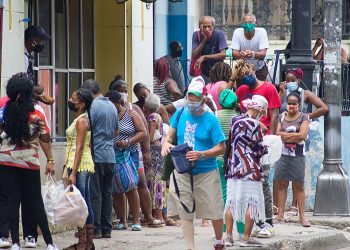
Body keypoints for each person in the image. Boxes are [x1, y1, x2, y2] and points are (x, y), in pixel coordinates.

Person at [162, 76, 226, 250]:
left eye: (195, 97)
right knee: (185, 210)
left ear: (203, 98)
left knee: (214, 210)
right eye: (189, 96)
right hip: (182, 170)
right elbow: (170, 134)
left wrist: (202, 154)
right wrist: (166, 142)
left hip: (206, 171)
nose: (191, 100)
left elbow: (221, 147)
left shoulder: (211, 119)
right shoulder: (181, 112)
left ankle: (219, 240)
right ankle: (190, 247)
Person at [0, 73, 58, 250]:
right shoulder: (37, 111)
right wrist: (50, 159)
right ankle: (49, 243)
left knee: (11, 201)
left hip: (5, 161)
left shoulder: (4, 110)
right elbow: (45, 137)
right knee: (35, 201)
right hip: (29, 163)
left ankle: (15, 243)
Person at [233, 59, 281, 238]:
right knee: (249, 186)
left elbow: (274, 116)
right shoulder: (241, 91)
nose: (246, 79)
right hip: (246, 146)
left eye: (247, 75)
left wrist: (271, 139)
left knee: (264, 184)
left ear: (253, 71)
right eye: (241, 77)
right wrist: (232, 78)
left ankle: (268, 223)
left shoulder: (269, 89)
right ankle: (255, 221)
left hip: (263, 143)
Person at [274, 68, 328, 216]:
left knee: (297, 175)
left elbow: (323, 108)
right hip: (283, 141)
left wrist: (307, 116)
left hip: (299, 139)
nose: (289, 82)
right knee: (282, 176)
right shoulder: (283, 93)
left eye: (292, 80)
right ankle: (280, 210)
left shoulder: (305, 94)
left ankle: (294, 206)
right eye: (287, 79)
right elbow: (276, 108)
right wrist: (281, 91)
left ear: (298, 80)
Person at [225, 95, 268, 247]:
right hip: (250, 169)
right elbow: (258, 148)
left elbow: (232, 141)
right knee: (252, 202)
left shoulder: (234, 120)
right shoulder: (255, 125)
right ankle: (245, 238)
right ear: (259, 110)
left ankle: (228, 237)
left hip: (233, 167)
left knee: (231, 202)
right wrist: (267, 147)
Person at [81, 79, 119, 239]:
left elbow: (86, 128)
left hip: (96, 155)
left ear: (89, 93)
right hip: (110, 155)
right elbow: (116, 132)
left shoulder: (92, 107)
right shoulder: (112, 105)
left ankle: (95, 229)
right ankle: (106, 229)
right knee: (107, 193)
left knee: (95, 193)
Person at [105, 90, 144, 232]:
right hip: (114, 154)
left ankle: (136, 220)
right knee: (116, 188)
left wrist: (127, 142)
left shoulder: (131, 113)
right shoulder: (109, 115)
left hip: (130, 154)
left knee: (130, 186)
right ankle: (122, 220)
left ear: (117, 103)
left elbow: (143, 132)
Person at [273, 92, 311, 227]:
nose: (291, 106)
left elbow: (303, 135)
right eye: (289, 103)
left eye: (294, 104)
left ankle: (302, 218)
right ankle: (280, 216)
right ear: (286, 104)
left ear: (299, 105)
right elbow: (277, 135)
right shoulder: (281, 117)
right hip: (282, 155)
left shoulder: (304, 117)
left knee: (299, 186)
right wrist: (295, 135)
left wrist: (286, 136)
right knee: (282, 184)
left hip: (298, 156)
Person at [64, 88, 95, 250]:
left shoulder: (82, 121)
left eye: (73, 98)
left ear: (82, 103)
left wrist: (73, 172)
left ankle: (84, 243)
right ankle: (87, 243)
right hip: (79, 164)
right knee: (84, 201)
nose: (70, 100)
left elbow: (80, 147)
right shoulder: (80, 118)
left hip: (81, 165)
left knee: (81, 203)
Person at [215, 89, 239, 247]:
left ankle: (223, 228)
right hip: (234, 160)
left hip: (217, 158)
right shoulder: (238, 117)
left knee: (222, 193)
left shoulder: (216, 116)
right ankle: (240, 229)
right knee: (236, 193)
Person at [143, 94, 166, 223]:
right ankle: (159, 215)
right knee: (158, 181)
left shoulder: (152, 117)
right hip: (159, 150)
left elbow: (150, 137)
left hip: (154, 151)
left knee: (154, 181)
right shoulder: (159, 116)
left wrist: (144, 146)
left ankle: (157, 215)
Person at [231, 13, 269, 82]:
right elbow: (234, 53)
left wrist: (253, 54)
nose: (248, 24)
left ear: (255, 24)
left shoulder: (261, 32)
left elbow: (263, 53)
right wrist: (240, 55)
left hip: (259, 69)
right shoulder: (237, 32)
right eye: (245, 22)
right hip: (243, 71)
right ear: (242, 24)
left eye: (250, 22)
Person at [192, 16, 228, 84]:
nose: (207, 29)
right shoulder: (196, 35)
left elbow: (223, 55)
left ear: (213, 27)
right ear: (200, 27)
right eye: (204, 27)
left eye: (209, 26)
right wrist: (203, 40)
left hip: (218, 73)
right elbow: (194, 55)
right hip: (203, 73)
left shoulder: (219, 34)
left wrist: (204, 57)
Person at [24, 25, 54, 106]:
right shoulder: (23, 57)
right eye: (40, 40)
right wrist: (35, 89)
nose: (41, 43)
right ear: (31, 40)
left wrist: (38, 97)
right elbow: (19, 85)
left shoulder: (28, 56)